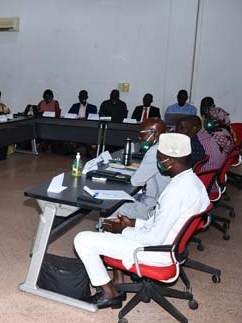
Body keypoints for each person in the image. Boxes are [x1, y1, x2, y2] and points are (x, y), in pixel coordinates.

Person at [74, 133, 210, 309]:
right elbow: (162, 222)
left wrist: (123, 230)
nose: (158, 162)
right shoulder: (194, 183)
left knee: (82, 240)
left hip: (154, 251)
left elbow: (153, 239)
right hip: (169, 245)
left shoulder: (175, 192)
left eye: (160, 158)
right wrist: (133, 223)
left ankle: (109, 293)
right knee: (113, 223)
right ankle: (115, 282)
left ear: (170, 161)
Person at [107, 119, 169, 220]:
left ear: (155, 134)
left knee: (111, 208)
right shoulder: (167, 145)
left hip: (154, 207)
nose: (139, 138)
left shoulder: (155, 151)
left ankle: (104, 228)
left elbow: (136, 181)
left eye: (142, 134)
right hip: (162, 202)